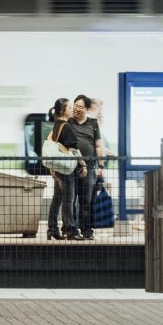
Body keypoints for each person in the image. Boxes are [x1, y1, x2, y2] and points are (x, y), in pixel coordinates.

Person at [66, 94, 105, 240]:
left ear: (87, 109)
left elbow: (99, 145)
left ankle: (87, 230)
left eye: (80, 107)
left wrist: (101, 165)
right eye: (75, 105)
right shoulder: (68, 122)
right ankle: (73, 229)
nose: (77, 109)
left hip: (90, 167)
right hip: (71, 167)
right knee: (71, 199)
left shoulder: (93, 124)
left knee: (86, 200)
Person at [45, 98, 84, 241]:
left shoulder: (56, 125)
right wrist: (83, 164)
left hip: (57, 170)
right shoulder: (66, 126)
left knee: (57, 200)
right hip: (66, 170)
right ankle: (71, 231)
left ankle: (52, 229)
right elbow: (74, 149)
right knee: (69, 200)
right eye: (69, 108)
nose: (72, 110)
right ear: (63, 110)